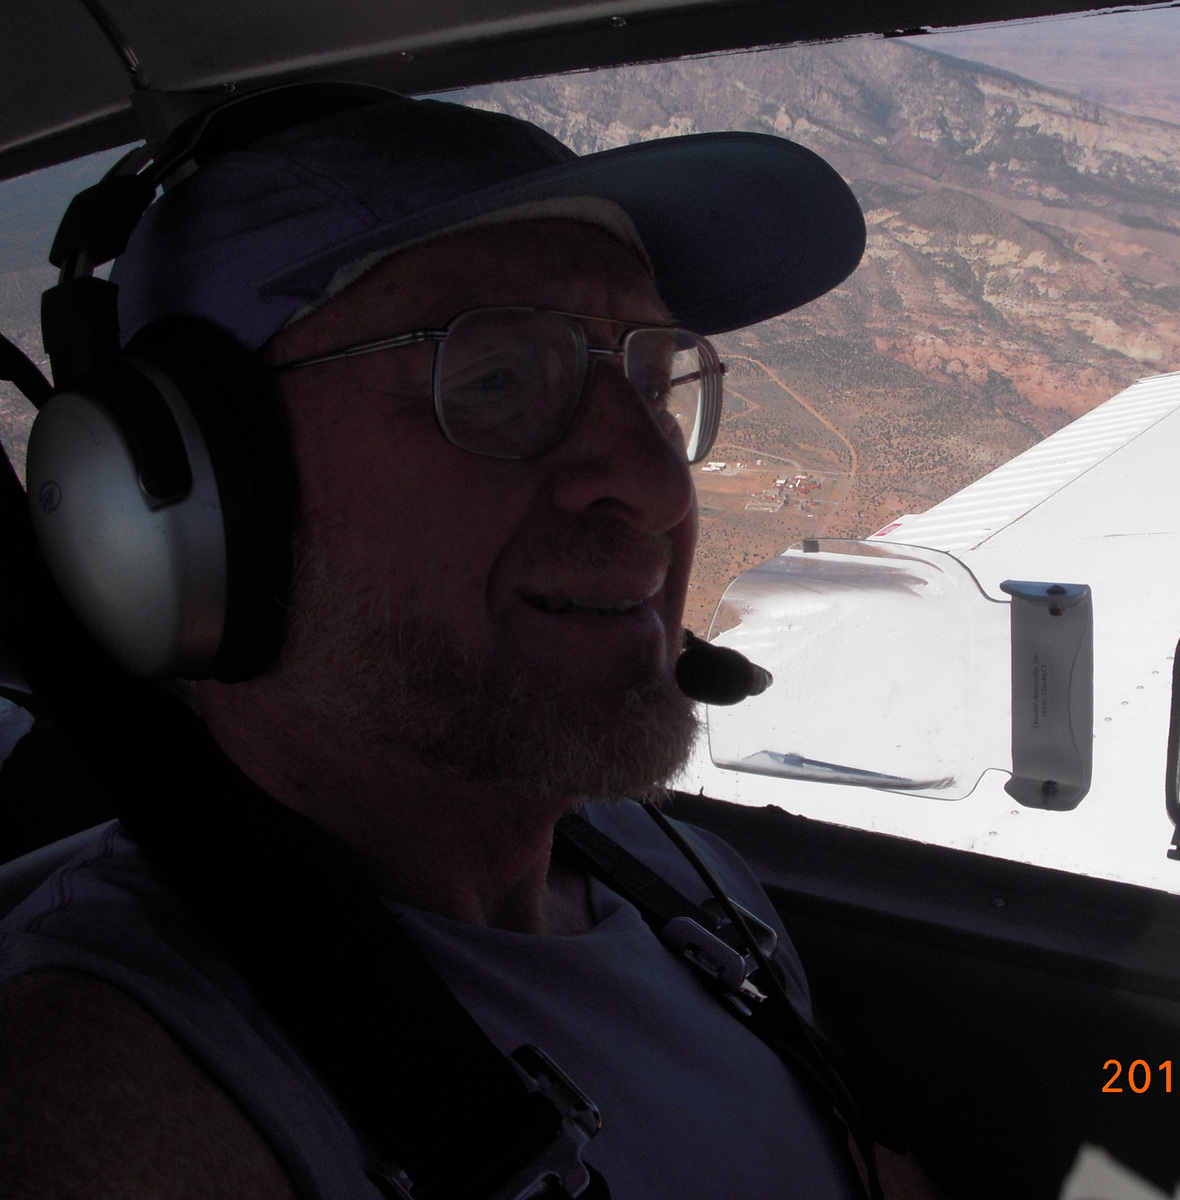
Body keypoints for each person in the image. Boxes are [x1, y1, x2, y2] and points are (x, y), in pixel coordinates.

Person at [0, 92, 889, 1198]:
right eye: (497, 379)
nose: (660, 485)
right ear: (190, 503)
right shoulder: (121, 1082)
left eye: (652, 380)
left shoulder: (687, 884)